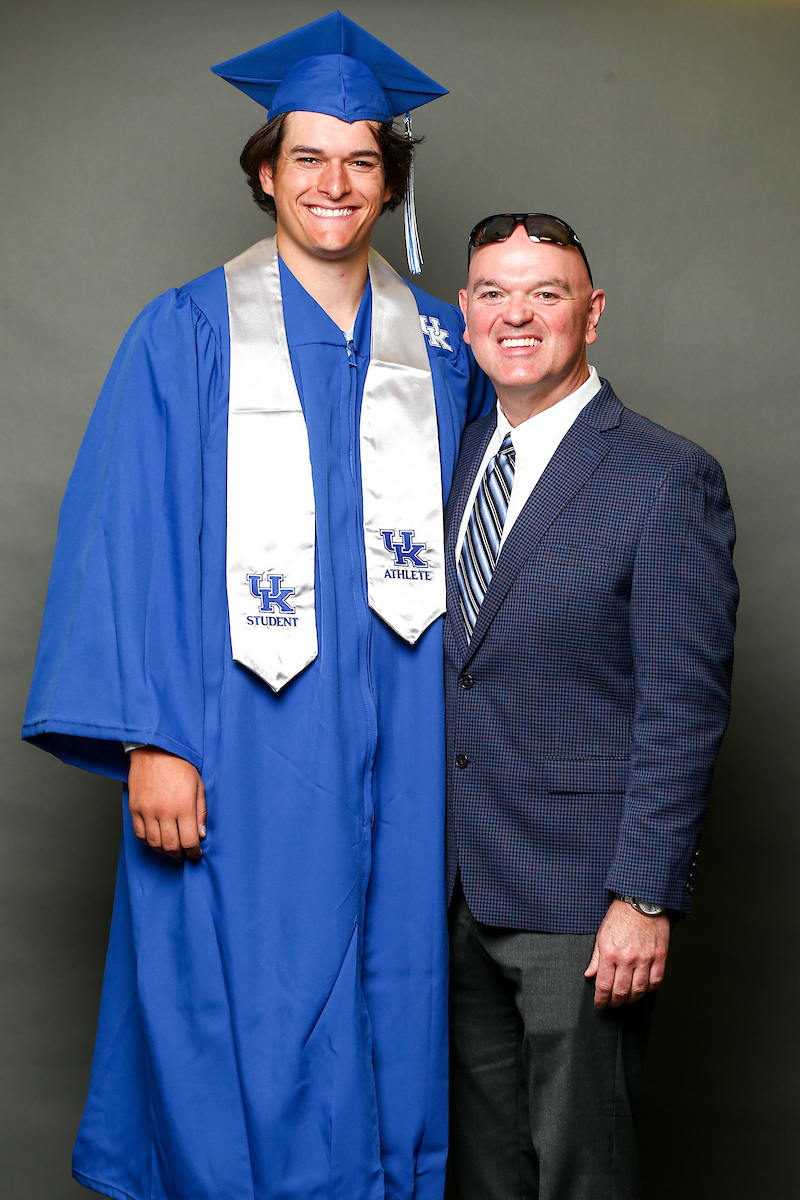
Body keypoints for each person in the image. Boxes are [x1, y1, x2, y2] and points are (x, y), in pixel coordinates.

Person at [22, 13, 492, 1200]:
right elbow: (123, 542)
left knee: (391, 983)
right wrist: (151, 739)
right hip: (233, 737)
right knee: (247, 989)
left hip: (404, 742)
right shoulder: (181, 334)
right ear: (264, 173)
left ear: (389, 185)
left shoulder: (441, 345)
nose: (332, 183)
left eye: (361, 160)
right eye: (306, 158)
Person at [443, 213, 738, 1199]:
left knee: (579, 1170)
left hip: (581, 906)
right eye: (491, 293)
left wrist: (642, 897)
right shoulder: (445, 457)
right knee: (481, 1173)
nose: (514, 315)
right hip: (446, 893)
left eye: (545, 293)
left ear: (591, 313)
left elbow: (680, 707)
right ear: (464, 311)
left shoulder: (663, 478)